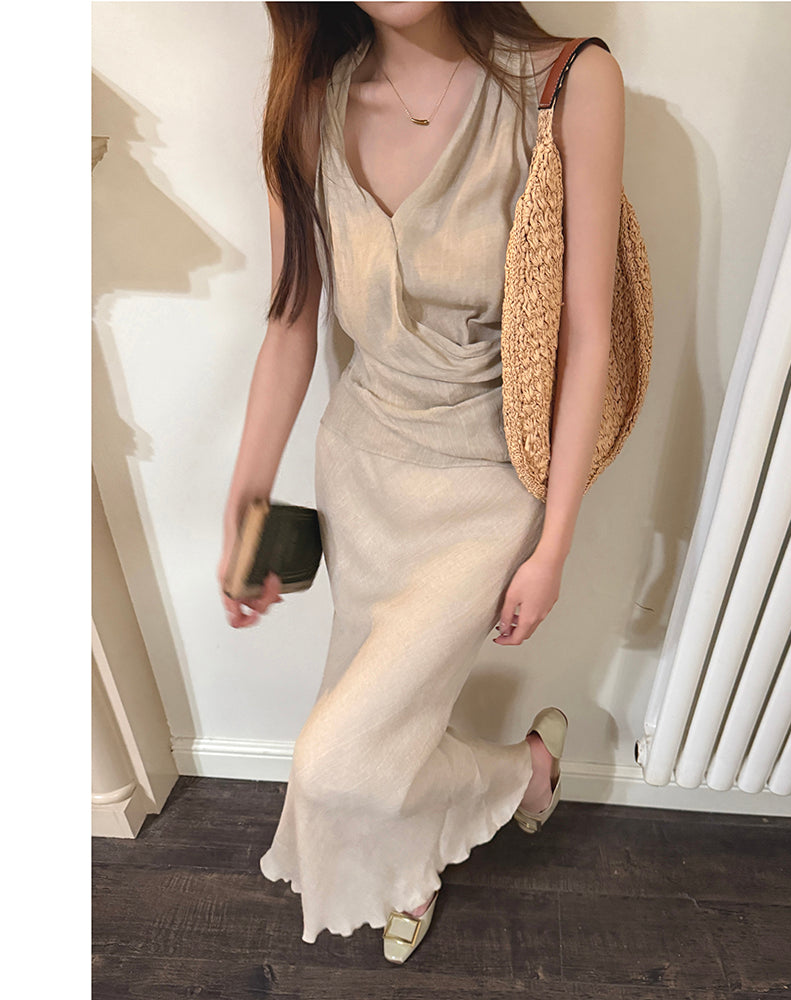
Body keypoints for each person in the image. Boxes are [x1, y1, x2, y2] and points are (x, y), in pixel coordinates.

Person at [217, 0, 624, 962]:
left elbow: (586, 336)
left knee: (337, 758)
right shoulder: (306, 106)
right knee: (386, 723)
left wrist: (554, 544)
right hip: (362, 471)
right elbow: (291, 322)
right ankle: (440, 848)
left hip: (487, 485)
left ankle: (518, 776)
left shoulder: (568, 85)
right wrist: (246, 505)